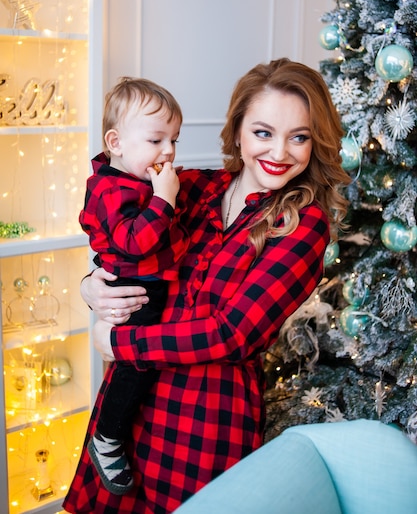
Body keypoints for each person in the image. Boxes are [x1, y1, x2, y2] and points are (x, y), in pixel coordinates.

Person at [63, 58, 350, 514]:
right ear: (237, 131)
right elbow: (121, 244)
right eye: (263, 132)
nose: (279, 152)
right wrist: (90, 285)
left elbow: (234, 334)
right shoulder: (188, 187)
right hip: (129, 410)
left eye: (299, 137)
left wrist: (120, 341)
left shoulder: (301, 223)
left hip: (204, 418)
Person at [78, 77, 189, 495]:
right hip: (135, 288)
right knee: (135, 368)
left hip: (150, 286)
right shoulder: (111, 188)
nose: (169, 152)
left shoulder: (144, 181)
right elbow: (133, 242)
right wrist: (164, 199)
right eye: (157, 139)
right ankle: (106, 438)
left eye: (174, 140)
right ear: (116, 142)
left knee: (142, 368)